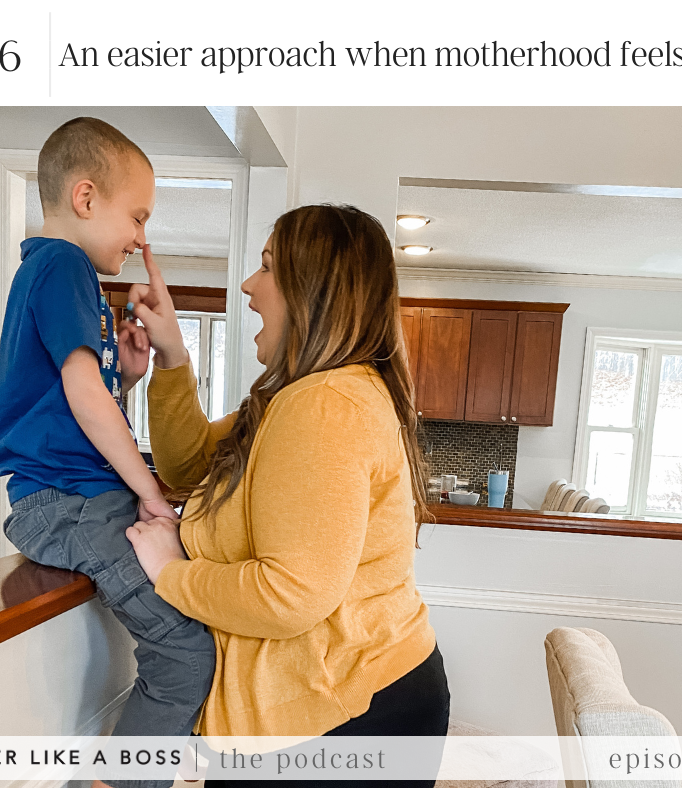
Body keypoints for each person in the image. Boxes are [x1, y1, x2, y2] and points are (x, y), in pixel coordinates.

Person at [125, 204, 451, 787]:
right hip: (337, 703)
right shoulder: (295, 398)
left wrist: (172, 573)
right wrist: (172, 355)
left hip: (342, 713)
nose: (249, 285)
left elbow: (289, 594)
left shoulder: (324, 405)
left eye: (269, 266)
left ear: (314, 290)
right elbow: (190, 464)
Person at [0, 117, 215, 788]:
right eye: (138, 216)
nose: (142, 237)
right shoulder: (63, 265)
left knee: (192, 616)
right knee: (185, 653)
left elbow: (70, 397)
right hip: (69, 503)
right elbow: (82, 393)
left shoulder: (56, 272)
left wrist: (129, 377)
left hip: (72, 497)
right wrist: (150, 492)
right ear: (85, 198)